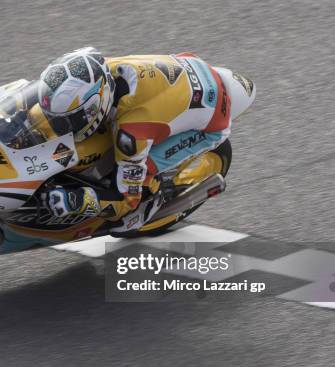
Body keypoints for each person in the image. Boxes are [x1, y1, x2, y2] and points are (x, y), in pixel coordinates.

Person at [40, 47, 236, 232]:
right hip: (191, 66)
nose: (60, 125)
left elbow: (126, 199)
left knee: (132, 196)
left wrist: (76, 201)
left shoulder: (132, 134)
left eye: (69, 120)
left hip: (213, 117)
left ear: (94, 107)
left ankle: (149, 202)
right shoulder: (98, 69)